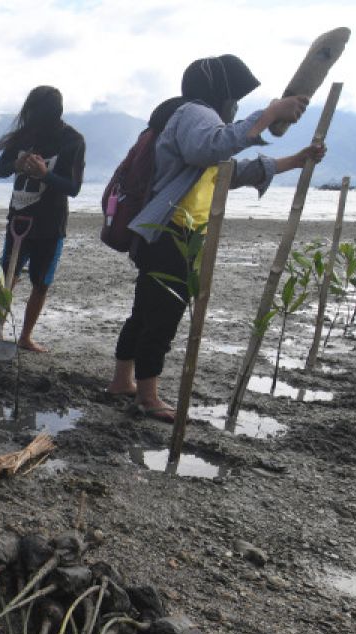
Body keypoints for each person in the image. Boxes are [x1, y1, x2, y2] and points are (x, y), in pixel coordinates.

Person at [106, 55, 324, 421]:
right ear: (221, 92)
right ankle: (148, 397)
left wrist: (296, 160)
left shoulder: (191, 118)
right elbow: (211, 148)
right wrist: (269, 114)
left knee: (144, 311)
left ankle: (122, 381)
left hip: (164, 232)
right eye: (235, 98)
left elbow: (231, 171)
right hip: (172, 232)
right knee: (163, 316)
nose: (235, 106)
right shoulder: (196, 113)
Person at [0, 86, 85, 352]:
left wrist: (45, 174)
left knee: (41, 282)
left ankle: (25, 336)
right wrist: (16, 165)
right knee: (5, 278)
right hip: (18, 220)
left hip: (50, 224)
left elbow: (74, 188)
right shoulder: (23, 136)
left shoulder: (72, 141)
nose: (29, 118)